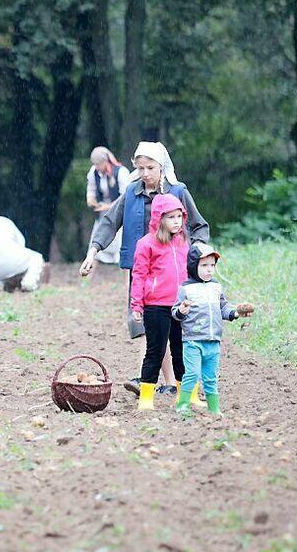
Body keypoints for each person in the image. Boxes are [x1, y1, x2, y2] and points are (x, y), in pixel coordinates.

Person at [79, 141, 209, 395]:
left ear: (162, 167)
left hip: (172, 272)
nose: (145, 173)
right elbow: (109, 222)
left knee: (169, 327)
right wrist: (92, 252)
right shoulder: (131, 192)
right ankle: (159, 381)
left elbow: (199, 226)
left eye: (150, 168)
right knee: (147, 325)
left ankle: (159, 380)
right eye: (140, 168)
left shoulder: (178, 191)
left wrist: (197, 255)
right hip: (142, 271)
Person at [172, 243, 255, 419]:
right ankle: (183, 405)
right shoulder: (185, 288)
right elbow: (175, 312)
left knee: (211, 377)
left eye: (212, 265)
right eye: (204, 265)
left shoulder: (216, 286)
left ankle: (214, 408)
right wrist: (181, 311)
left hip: (213, 341)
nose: (209, 269)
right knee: (192, 374)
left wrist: (236, 313)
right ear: (193, 266)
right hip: (193, 340)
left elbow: (223, 307)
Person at [130, 195, 190, 410]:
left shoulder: (183, 242)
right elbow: (139, 275)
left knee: (182, 351)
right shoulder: (146, 244)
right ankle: (146, 399)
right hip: (156, 306)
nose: (176, 221)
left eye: (179, 216)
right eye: (171, 217)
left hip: (181, 306)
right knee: (155, 352)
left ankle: (185, 396)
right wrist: (136, 304)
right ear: (159, 218)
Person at [86, 146, 132, 265]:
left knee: (122, 250)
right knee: (94, 246)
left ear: (105, 162)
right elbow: (91, 188)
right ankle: (86, 276)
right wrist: (91, 200)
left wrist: (109, 206)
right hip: (102, 215)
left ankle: (125, 277)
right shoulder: (94, 172)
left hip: (120, 215)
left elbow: (125, 196)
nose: (97, 167)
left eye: (99, 164)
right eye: (95, 164)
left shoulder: (121, 172)